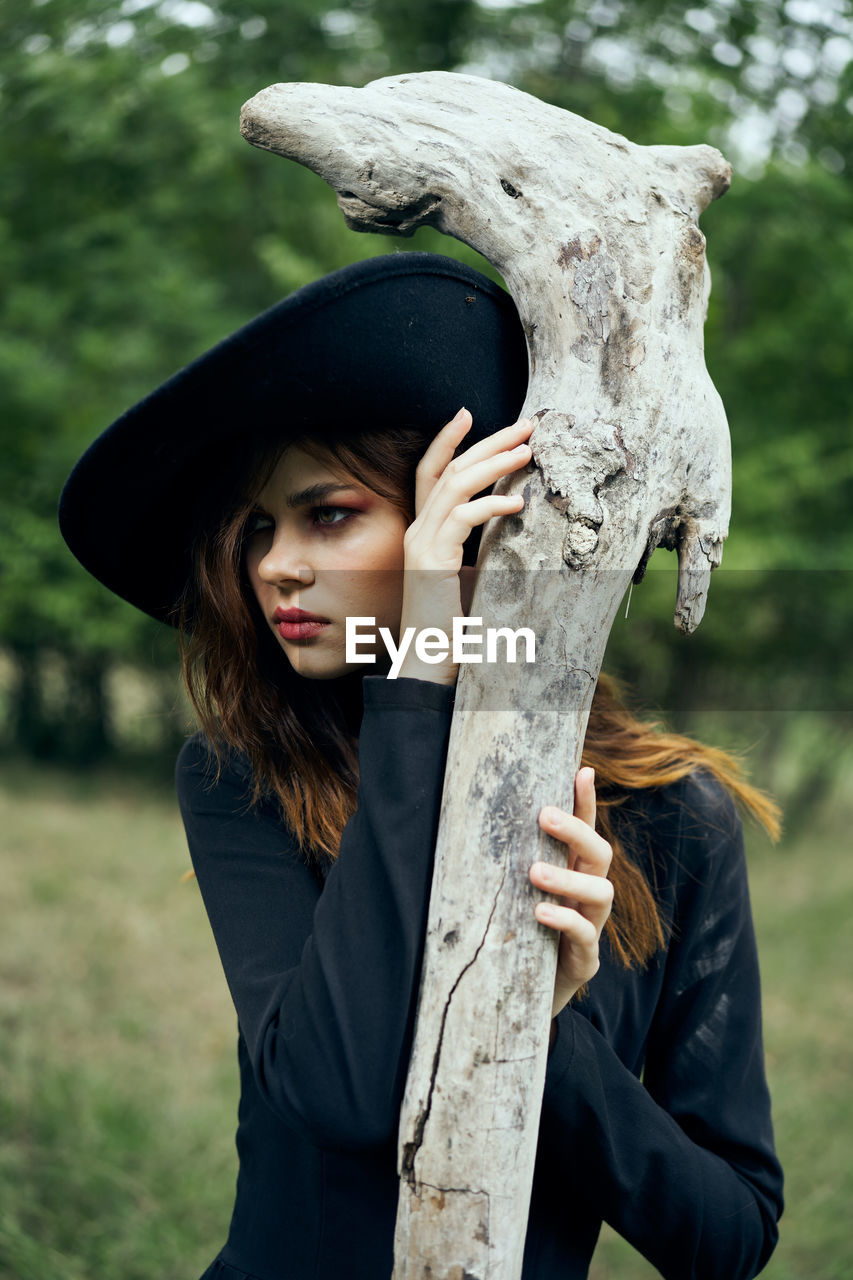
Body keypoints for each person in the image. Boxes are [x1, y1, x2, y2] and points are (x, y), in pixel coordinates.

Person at [59, 252, 783, 1280]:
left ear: (483, 522)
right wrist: (422, 660)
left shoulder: (668, 814)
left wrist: (548, 1018)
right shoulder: (243, 775)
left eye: (329, 512)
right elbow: (338, 1084)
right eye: (257, 525)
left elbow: (728, 1235)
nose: (274, 563)